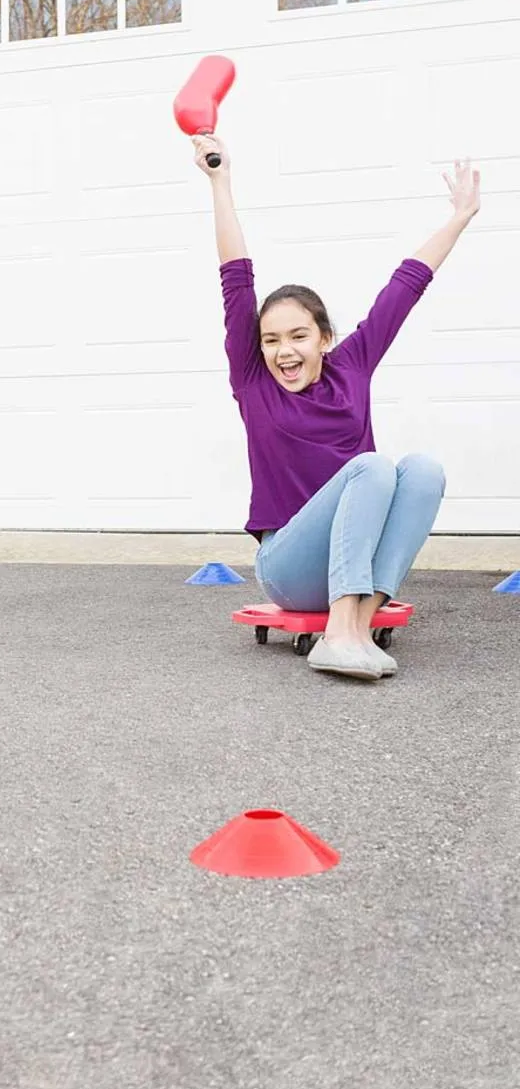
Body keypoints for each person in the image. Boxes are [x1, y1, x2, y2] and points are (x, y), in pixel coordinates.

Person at [193, 133, 480, 680]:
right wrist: (220, 182)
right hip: (290, 567)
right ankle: (344, 632)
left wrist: (460, 217)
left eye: (298, 336)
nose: (284, 351)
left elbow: (405, 288)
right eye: (272, 340)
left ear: (325, 338)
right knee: (371, 466)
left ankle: (353, 624)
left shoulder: (353, 364)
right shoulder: (254, 382)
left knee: (422, 470)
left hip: (353, 562)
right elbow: (236, 280)